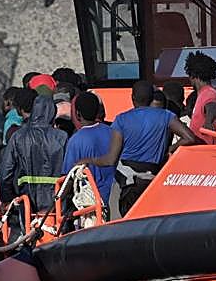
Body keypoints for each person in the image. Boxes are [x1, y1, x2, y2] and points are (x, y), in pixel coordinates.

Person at [83, 80, 201, 216]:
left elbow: (110, 160)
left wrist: (88, 160)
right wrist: (170, 148)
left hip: (126, 183)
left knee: (117, 223)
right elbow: (190, 138)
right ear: (151, 98)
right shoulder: (166, 116)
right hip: (152, 180)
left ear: (132, 98)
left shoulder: (121, 119)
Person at [0, 92, 67, 220]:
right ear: (53, 112)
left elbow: (4, 175)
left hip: (27, 204)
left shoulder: (18, 137)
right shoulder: (62, 137)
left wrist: (8, 199)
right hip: (57, 205)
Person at [62, 92, 117, 216]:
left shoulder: (75, 140)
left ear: (77, 114)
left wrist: (57, 200)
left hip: (90, 204)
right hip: (114, 197)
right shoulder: (113, 132)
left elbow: (69, 176)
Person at [186, 51, 216, 141]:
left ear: (192, 76)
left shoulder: (208, 93)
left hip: (207, 148)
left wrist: (208, 121)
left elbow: (211, 105)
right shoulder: (203, 93)